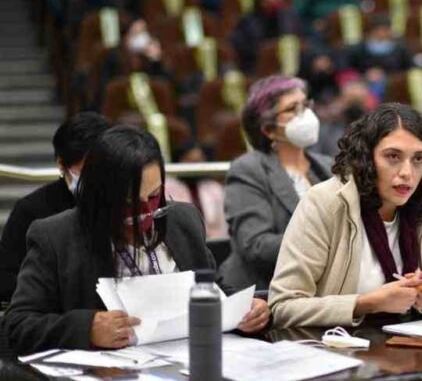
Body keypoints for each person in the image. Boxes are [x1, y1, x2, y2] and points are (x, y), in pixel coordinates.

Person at [3, 126, 269, 354]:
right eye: (130, 202)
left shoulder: (182, 220)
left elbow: (213, 288)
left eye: (153, 196)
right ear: (100, 196)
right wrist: (87, 329)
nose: (146, 212)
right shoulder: (57, 237)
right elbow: (18, 324)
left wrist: (245, 310)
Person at [269, 103, 422, 329]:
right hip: (342, 349)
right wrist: (367, 303)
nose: (407, 173)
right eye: (393, 156)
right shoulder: (324, 202)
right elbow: (283, 307)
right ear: (366, 158)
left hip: (416, 346)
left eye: (418, 159)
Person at [219, 76, 333, 292]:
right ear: (268, 129)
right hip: (261, 294)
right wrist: (325, 241)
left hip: (317, 290)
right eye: (292, 109)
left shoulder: (328, 166)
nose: (306, 115)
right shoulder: (248, 169)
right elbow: (256, 245)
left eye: (306, 105)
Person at [0, 112, 110, 304]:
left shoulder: (125, 200)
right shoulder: (32, 210)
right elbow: (7, 280)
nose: (96, 179)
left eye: (103, 169)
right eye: (86, 171)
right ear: (61, 164)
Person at [229, 0, 298, 74]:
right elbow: (239, 45)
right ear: (260, 2)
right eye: (270, 0)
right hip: (257, 69)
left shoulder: (289, 16)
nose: (275, 3)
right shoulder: (248, 21)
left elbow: (304, 38)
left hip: (291, 65)